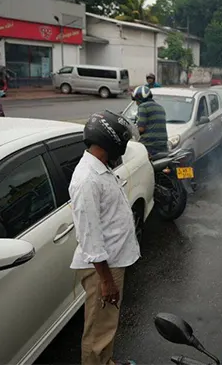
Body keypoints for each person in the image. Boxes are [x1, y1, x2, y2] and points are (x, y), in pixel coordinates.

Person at [70, 110, 139, 365]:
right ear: (112, 142)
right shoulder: (87, 180)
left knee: (106, 325)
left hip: (112, 262)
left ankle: (106, 362)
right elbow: (90, 237)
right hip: (103, 267)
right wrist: (107, 280)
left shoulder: (99, 169)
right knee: (98, 332)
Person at [132, 85, 168, 156]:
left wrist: (132, 131)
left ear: (140, 99)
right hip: (163, 145)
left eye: (136, 100)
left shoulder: (143, 106)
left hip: (149, 145)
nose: (136, 103)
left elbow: (141, 129)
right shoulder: (161, 107)